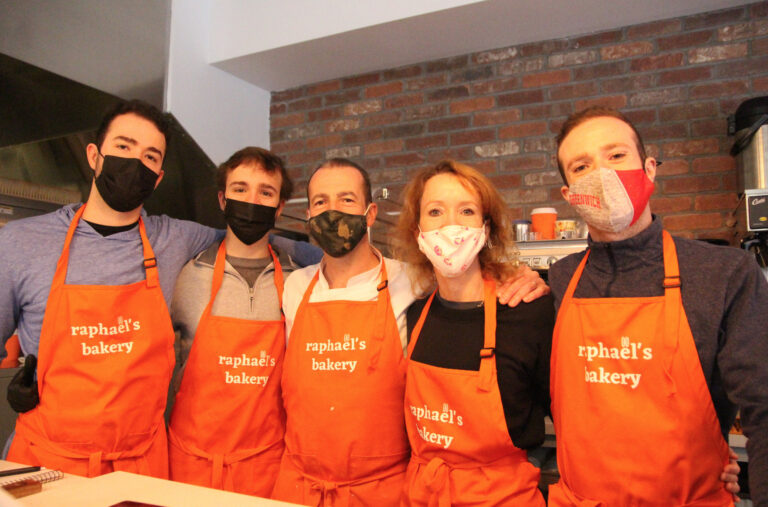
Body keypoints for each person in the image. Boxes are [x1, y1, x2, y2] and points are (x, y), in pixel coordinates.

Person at [272, 158, 548, 506]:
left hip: (383, 491)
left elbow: (467, 279)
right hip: (301, 488)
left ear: (370, 214)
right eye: (320, 202)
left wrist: (523, 276)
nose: (333, 211)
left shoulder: (412, 283)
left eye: (347, 199)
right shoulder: (293, 287)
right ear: (309, 215)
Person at [547, 106, 768, 505]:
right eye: (581, 166)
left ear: (649, 169)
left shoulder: (725, 273)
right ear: (569, 195)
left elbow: (763, 404)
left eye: (616, 155)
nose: (603, 174)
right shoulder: (561, 278)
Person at [0, 99, 221, 477]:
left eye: (150, 156)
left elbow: (251, 241)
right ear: (94, 155)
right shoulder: (22, 241)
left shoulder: (174, 238)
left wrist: (323, 252)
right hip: (46, 464)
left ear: (158, 177)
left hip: (139, 468)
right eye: (123, 146)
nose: (136, 162)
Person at [394, 160, 553, 506]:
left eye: (466, 211)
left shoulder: (527, 312)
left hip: (501, 498)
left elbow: (567, 421)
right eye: (435, 211)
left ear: (486, 227)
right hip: (424, 496)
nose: (451, 224)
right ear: (417, 230)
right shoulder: (415, 315)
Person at [168, 147, 296, 495]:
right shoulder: (186, 275)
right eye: (240, 189)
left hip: (266, 468)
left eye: (265, 192)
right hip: (191, 465)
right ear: (223, 200)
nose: (252, 201)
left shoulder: (298, 282)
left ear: (279, 207)